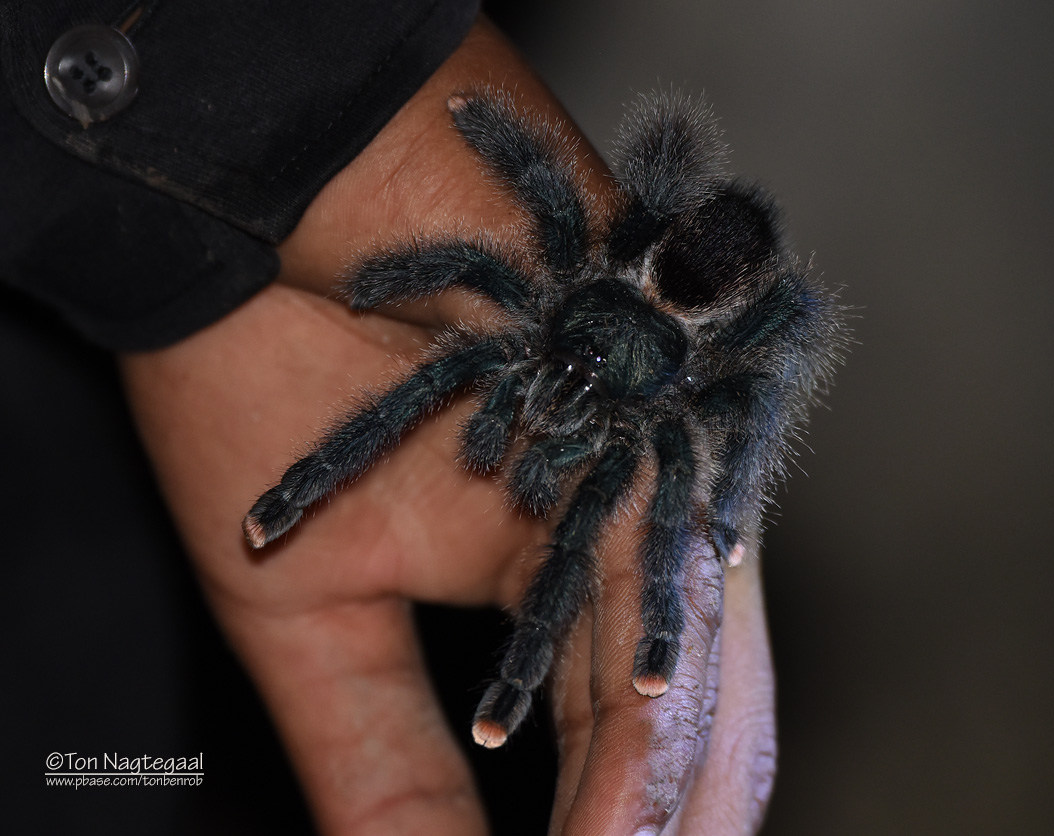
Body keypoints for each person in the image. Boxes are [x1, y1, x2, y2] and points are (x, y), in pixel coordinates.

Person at [5, 4, 776, 833]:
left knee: (604, 510)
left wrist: (716, 529)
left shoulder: (659, 414)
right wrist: (406, 111)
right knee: (449, 362)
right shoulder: (549, 298)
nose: (563, 398)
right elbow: (478, 248)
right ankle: (298, 491)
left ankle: (513, 684)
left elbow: (720, 444)